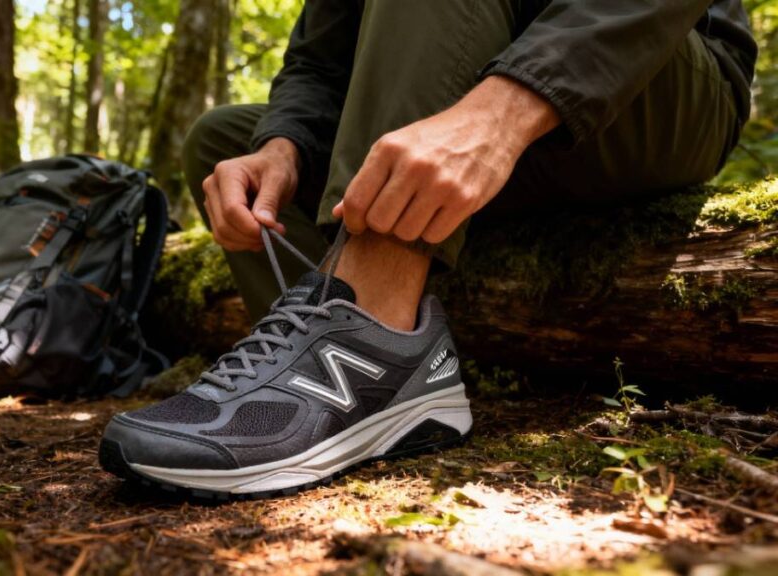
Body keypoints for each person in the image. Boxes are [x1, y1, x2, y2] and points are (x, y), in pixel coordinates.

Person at [99, 0, 758, 498]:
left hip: (650, 75)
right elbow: (321, 59)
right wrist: (285, 146)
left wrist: (500, 114)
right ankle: (345, 353)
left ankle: (367, 332)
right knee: (225, 140)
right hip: (461, 102)